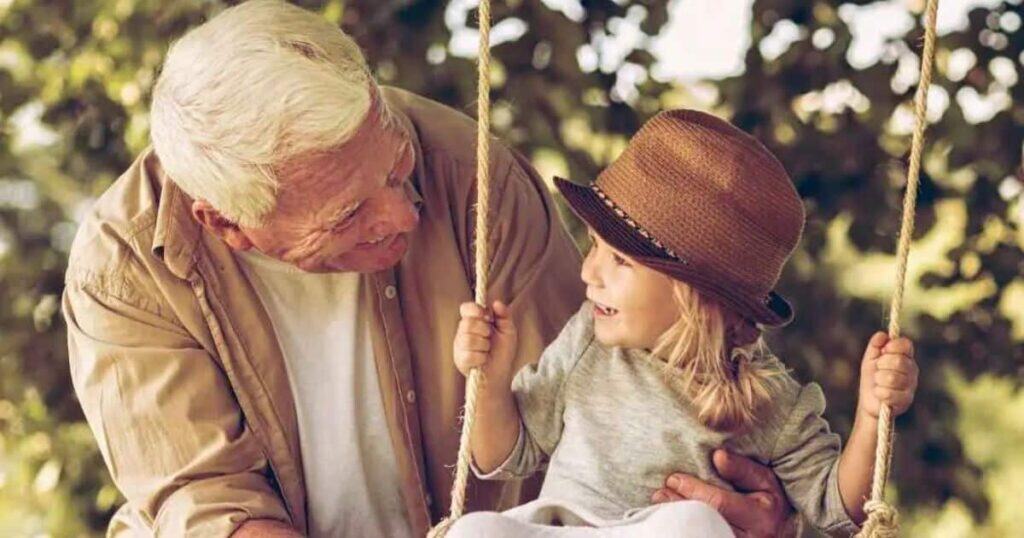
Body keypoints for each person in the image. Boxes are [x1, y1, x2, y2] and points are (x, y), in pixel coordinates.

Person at [63, 1, 812, 536]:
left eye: (396, 167)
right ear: (228, 224)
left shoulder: (470, 173)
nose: (402, 214)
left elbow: (619, 408)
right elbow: (207, 504)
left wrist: (758, 516)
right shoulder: (123, 266)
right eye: (349, 215)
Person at [448, 110, 918, 537]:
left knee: (692, 523)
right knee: (475, 531)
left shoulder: (766, 399)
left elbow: (841, 510)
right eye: (593, 246)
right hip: (564, 531)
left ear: (693, 295)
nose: (588, 273)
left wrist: (872, 417)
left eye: (619, 261)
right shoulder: (587, 340)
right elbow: (501, 458)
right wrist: (488, 380)